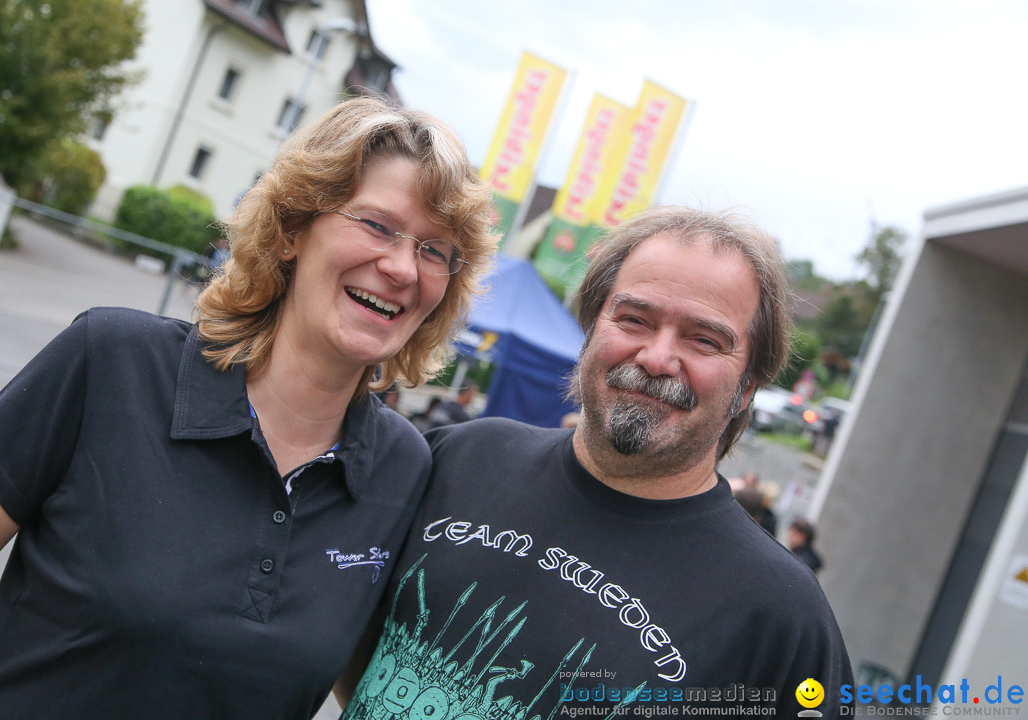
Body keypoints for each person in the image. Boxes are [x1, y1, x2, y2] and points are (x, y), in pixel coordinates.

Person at [0, 97, 496, 720]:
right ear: (293, 230)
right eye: (377, 225)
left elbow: (384, 687)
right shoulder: (112, 363)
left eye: (434, 250)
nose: (402, 267)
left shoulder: (403, 469)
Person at [339, 206, 853, 718]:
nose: (656, 357)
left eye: (704, 340)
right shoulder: (459, 458)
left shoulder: (780, 615)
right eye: (634, 319)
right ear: (589, 330)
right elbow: (351, 647)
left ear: (747, 389)